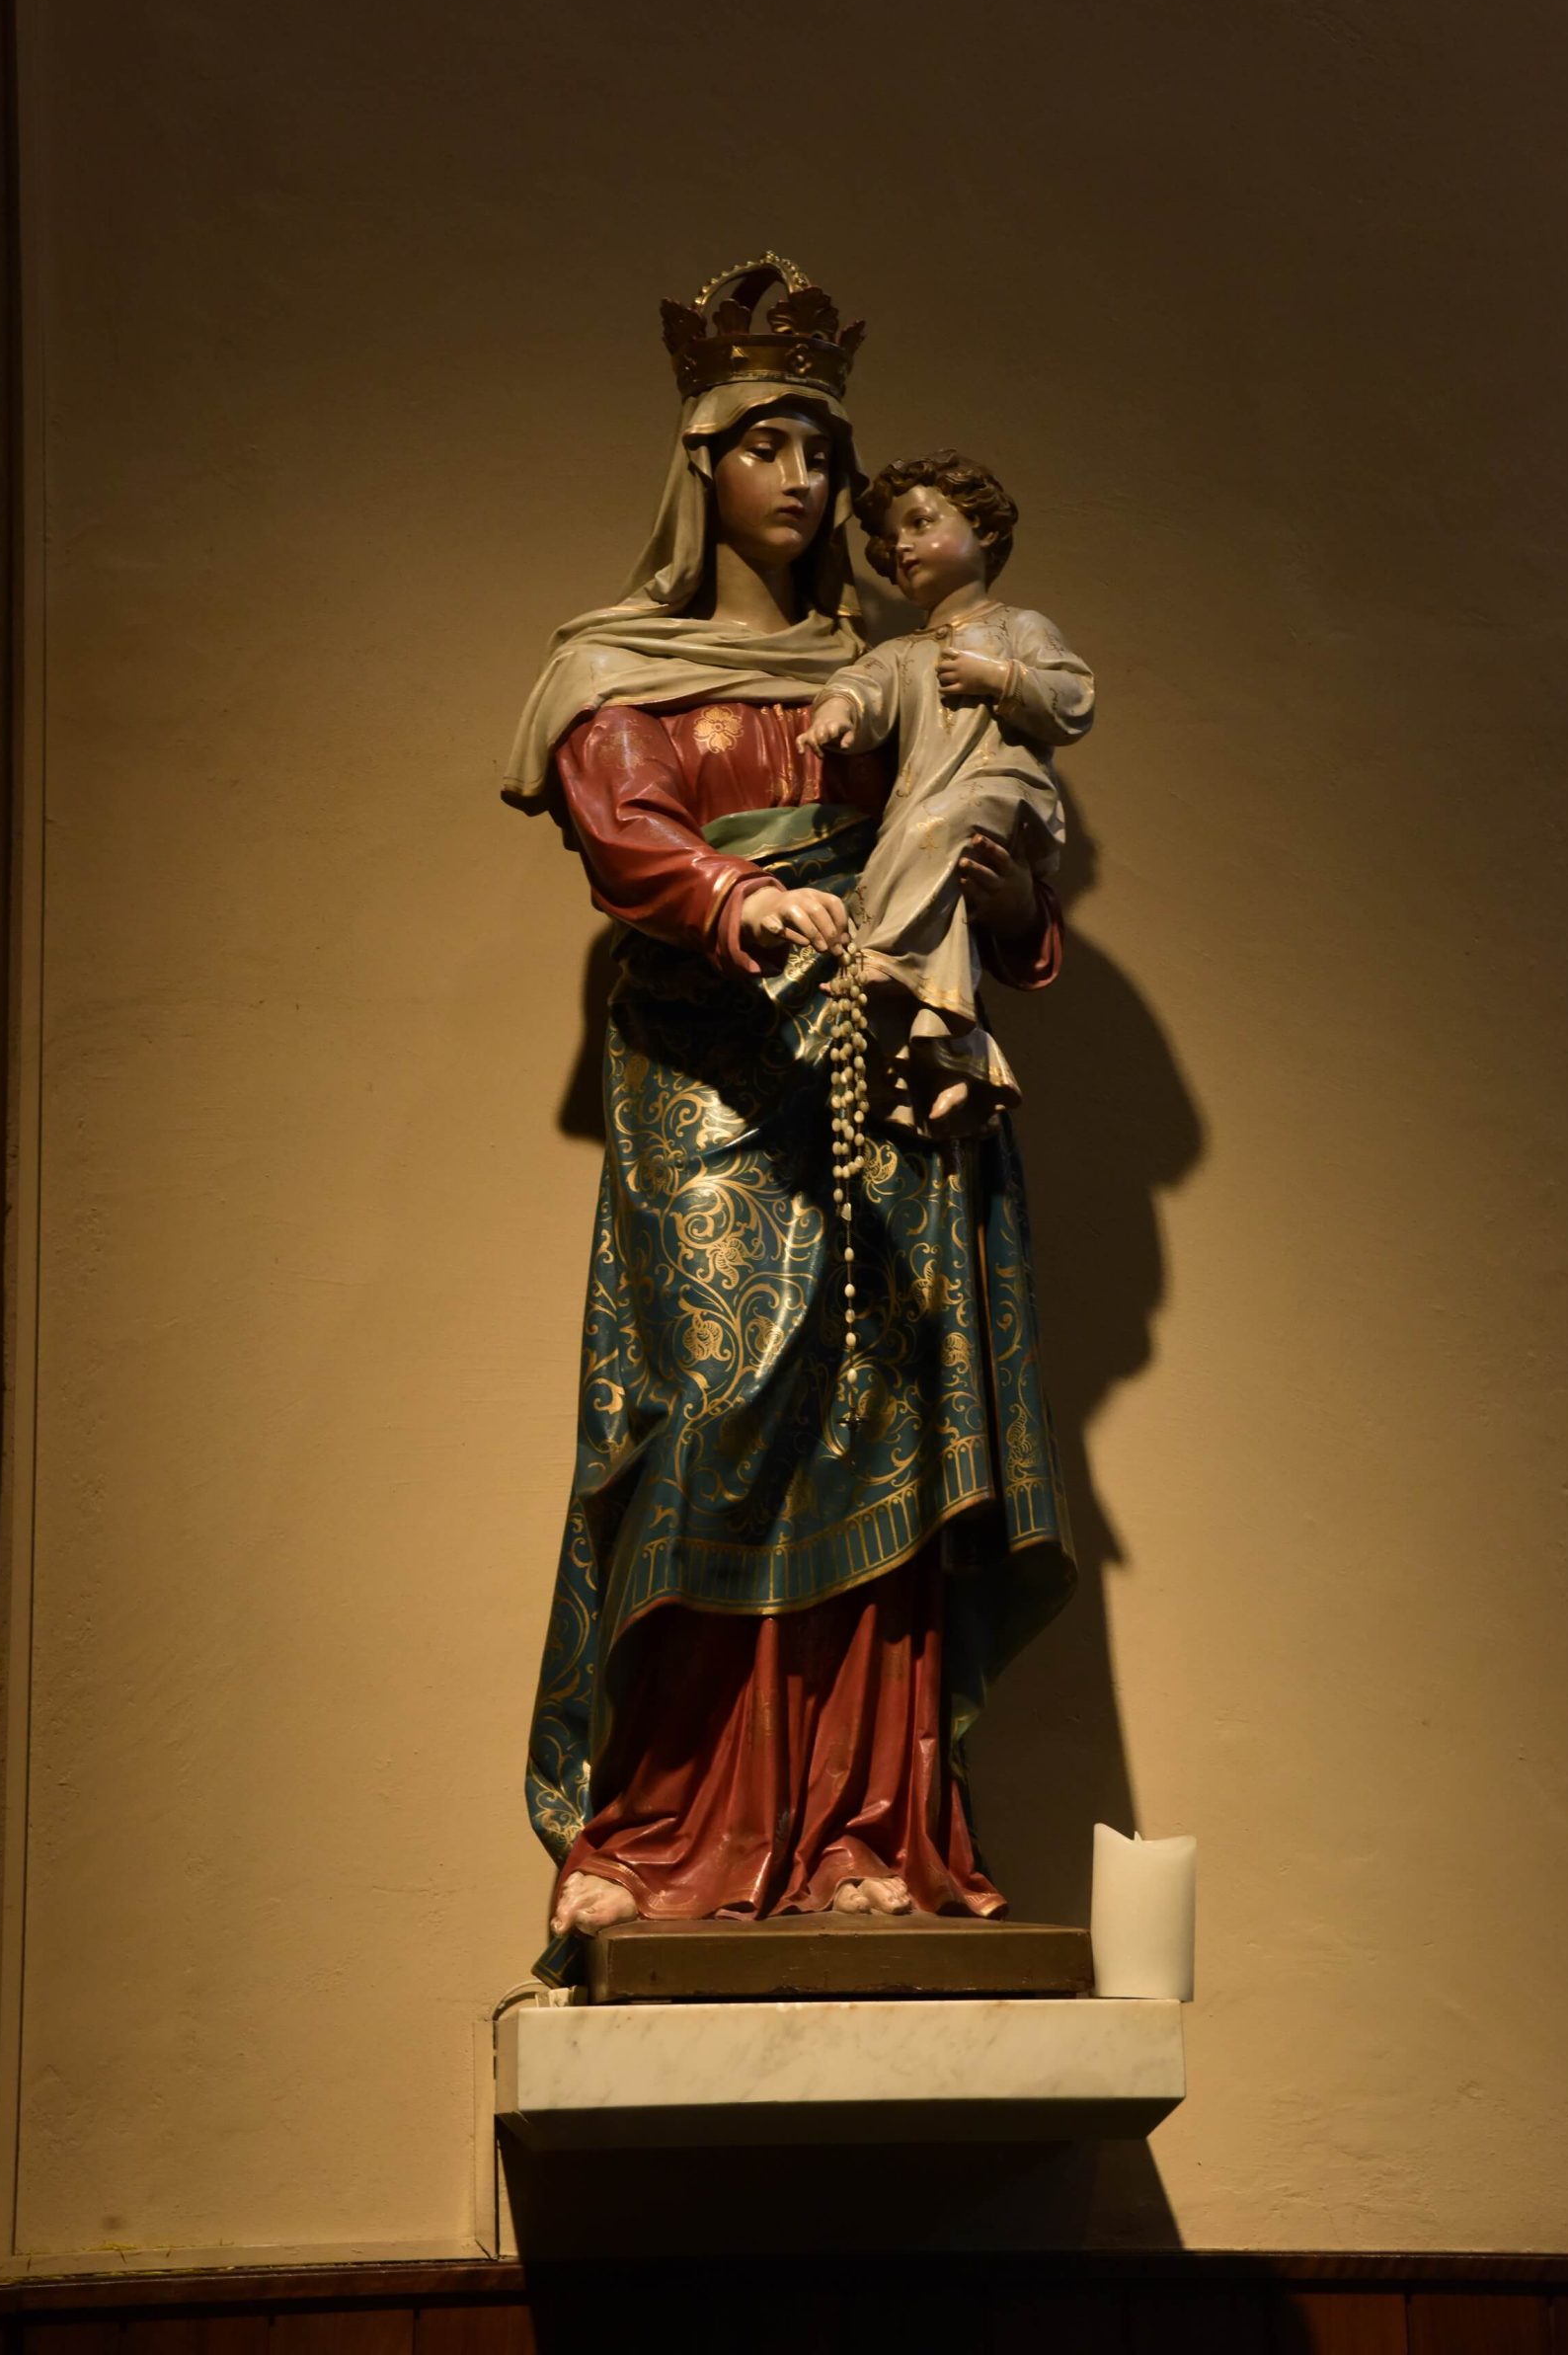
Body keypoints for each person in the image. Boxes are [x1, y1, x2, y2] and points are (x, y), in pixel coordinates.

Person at [502, 259, 1076, 1968]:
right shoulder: (618, 662)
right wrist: (735, 898)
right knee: (705, 1409)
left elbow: (990, 833)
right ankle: (653, 1830)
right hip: (709, 1065)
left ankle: (864, 1830)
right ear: (701, 461)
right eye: (768, 443)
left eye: (826, 449)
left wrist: (1002, 884)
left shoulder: (896, 665)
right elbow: (623, 825)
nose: (805, 478)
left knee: (882, 1420)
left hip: (887, 1063)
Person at [803, 451, 1094, 1137]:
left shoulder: (1019, 628)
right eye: (890, 538)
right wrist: (836, 713)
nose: (900, 546)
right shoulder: (901, 653)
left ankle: (876, 956)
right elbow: (860, 687)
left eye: (921, 523)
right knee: (920, 872)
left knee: (940, 826)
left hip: (1006, 796)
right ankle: (953, 1052)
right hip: (925, 811)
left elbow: (1074, 700)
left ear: (983, 531)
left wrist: (1003, 678)